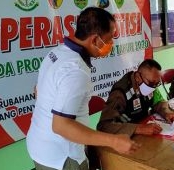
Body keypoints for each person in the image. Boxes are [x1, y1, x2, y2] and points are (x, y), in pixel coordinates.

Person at [26, 7, 140, 170]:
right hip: (62, 157)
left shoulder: (56, 53)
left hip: (39, 146)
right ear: (94, 40)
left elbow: (38, 90)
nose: (111, 44)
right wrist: (114, 141)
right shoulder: (76, 70)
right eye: (108, 40)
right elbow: (60, 126)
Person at [97, 59, 174, 136]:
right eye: (151, 83)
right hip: (125, 137)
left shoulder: (151, 85)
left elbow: (159, 102)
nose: (154, 87)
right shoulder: (120, 93)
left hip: (145, 129)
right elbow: (104, 126)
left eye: (157, 84)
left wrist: (167, 112)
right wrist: (138, 128)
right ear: (138, 77)